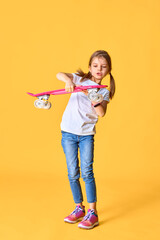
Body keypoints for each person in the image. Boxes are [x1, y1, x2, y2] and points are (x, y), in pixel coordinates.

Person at [56, 50, 115, 229]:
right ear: (89, 67)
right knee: (72, 172)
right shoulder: (79, 79)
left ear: (108, 70)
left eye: (103, 67)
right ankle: (78, 208)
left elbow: (101, 113)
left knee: (87, 172)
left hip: (86, 135)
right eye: (95, 66)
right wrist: (68, 81)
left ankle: (92, 213)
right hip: (68, 133)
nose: (99, 69)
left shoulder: (103, 92)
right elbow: (59, 74)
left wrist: (93, 97)